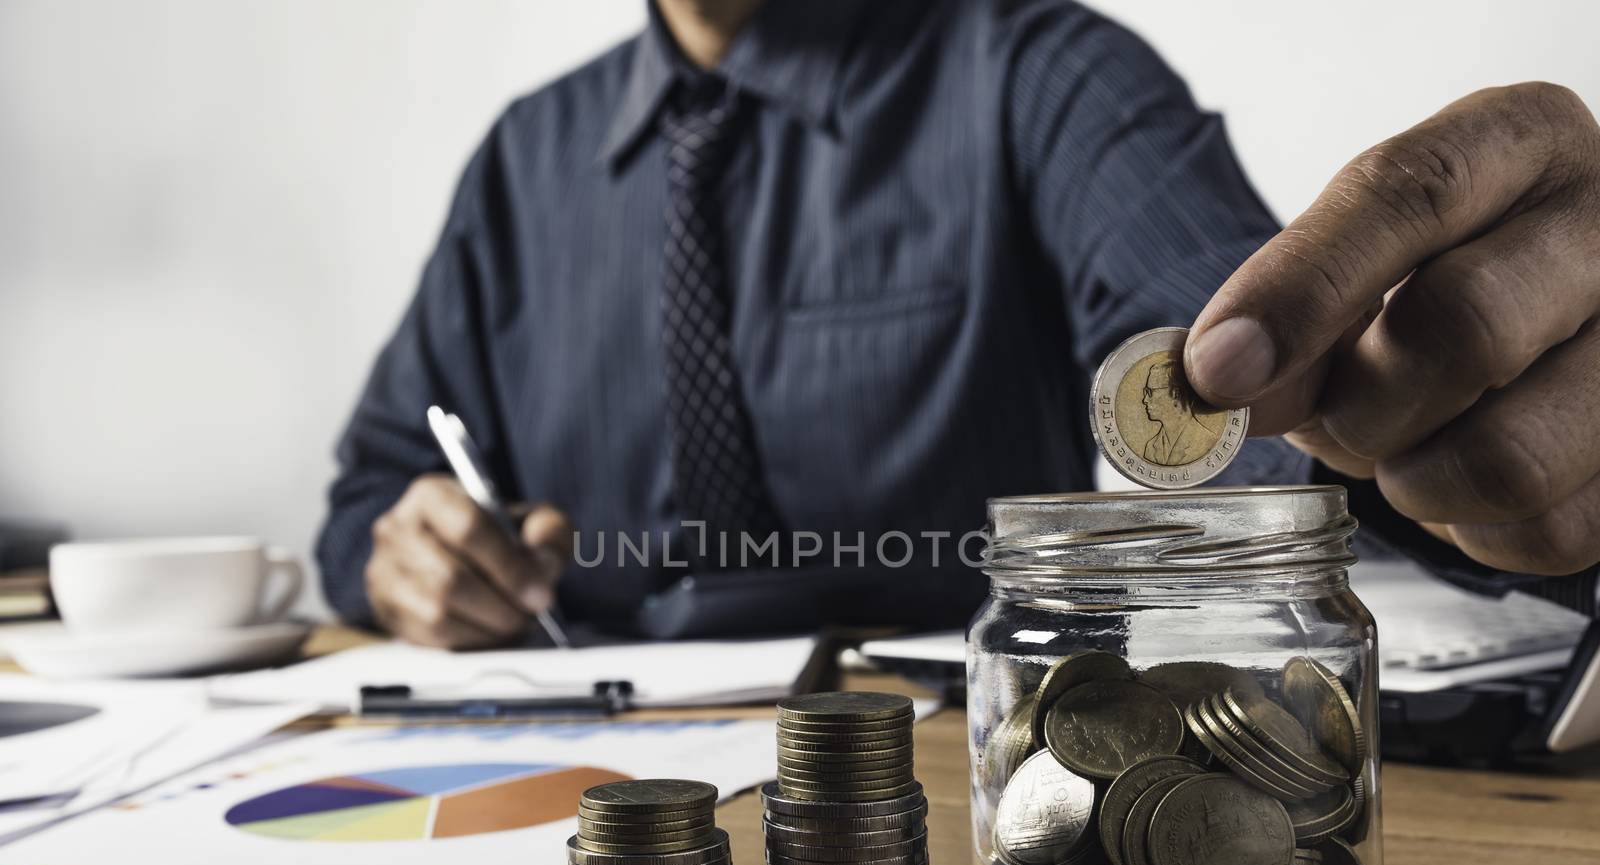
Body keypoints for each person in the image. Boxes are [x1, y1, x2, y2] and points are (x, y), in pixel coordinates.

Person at [318, 0, 1600, 648]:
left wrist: (1446, 425)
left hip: (955, 788)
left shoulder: (1040, 79)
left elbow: (1277, 393)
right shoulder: (520, 161)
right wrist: (399, 558)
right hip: (573, 804)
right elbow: (372, 488)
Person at [1140, 359, 1218, 468]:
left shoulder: (1208, 441)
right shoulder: (1151, 447)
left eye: (1150, 392)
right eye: (1146, 392)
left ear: (1175, 393)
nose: (1145, 400)